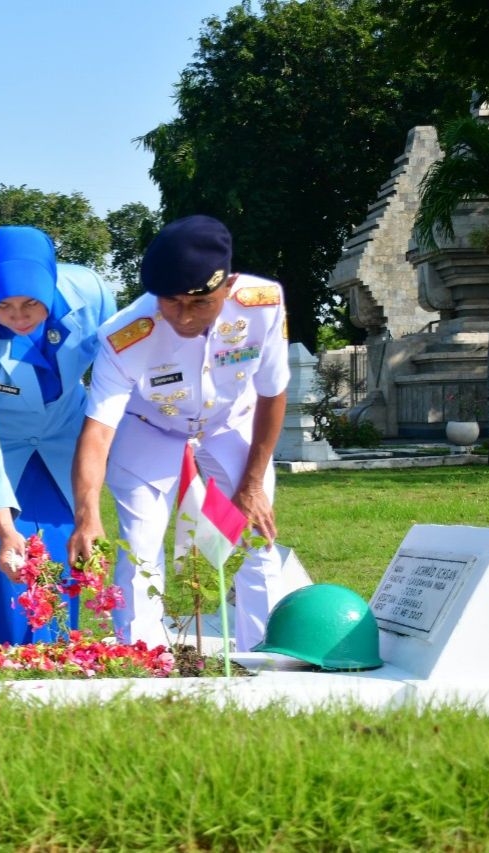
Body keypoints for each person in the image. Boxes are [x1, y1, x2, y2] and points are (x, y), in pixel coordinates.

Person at [67, 215, 290, 651]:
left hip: (231, 423)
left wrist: (252, 484)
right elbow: (97, 431)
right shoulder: (124, 335)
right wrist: (86, 513)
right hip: (150, 428)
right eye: (170, 302)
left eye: (201, 303)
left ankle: (264, 655)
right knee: (140, 544)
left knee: (253, 534)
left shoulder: (263, 303)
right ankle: (142, 656)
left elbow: (272, 393)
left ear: (227, 288)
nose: (184, 317)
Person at [0, 226, 115, 644]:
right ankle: (5, 659)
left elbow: (117, 375)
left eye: (32, 302)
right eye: (4, 306)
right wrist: (1, 525)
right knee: (11, 564)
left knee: (61, 552)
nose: (19, 317)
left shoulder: (92, 294)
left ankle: (63, 655)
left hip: (65, 440)